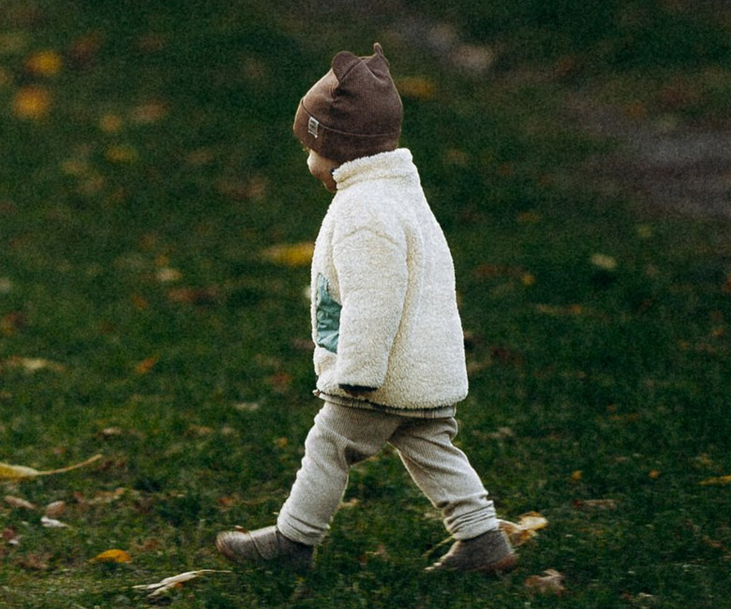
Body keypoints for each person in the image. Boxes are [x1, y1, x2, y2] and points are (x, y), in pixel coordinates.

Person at [217, 46, 515, 578]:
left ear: (337, 148)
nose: (308, 161)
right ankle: (483, 538)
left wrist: (357, 372)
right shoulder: (399, 193)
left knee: (329, 444)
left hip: (378, 375)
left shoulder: (364, 211)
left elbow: (373, 297)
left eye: (311, 148)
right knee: (431, 447)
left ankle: (294, 539)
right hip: (422, 368)